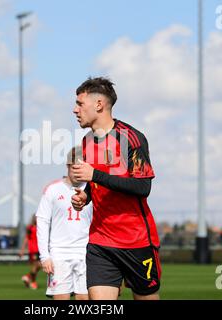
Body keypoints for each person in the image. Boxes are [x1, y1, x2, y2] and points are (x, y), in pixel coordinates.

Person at [71, 77, 161, 300]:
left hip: (136, 241)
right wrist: (87, 196)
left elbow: (142, 186)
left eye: (80, 104)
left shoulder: (132, 138)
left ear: (99, 104)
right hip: (100, 242)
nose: (75, 110)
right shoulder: (86, 142)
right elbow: (99, 183)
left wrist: (95, 175)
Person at [36, 146, 93, 300]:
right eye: (74, 167)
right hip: (59, 256)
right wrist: (44, 256)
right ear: (68, 166)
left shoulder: (93, 191)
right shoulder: (53, 190)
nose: (77, 172)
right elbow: (42, 222)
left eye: (81, 168)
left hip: (86, 255)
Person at [19, 214, 41, 290]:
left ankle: (28, 277)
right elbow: (26, 239)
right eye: (36, 218)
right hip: (33, 250)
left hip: (39, 250)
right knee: (36, 265)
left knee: (39, 266)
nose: (37, 219)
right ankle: (33, 282)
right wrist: (22, 250)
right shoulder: (30, 228)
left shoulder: (41, 227)